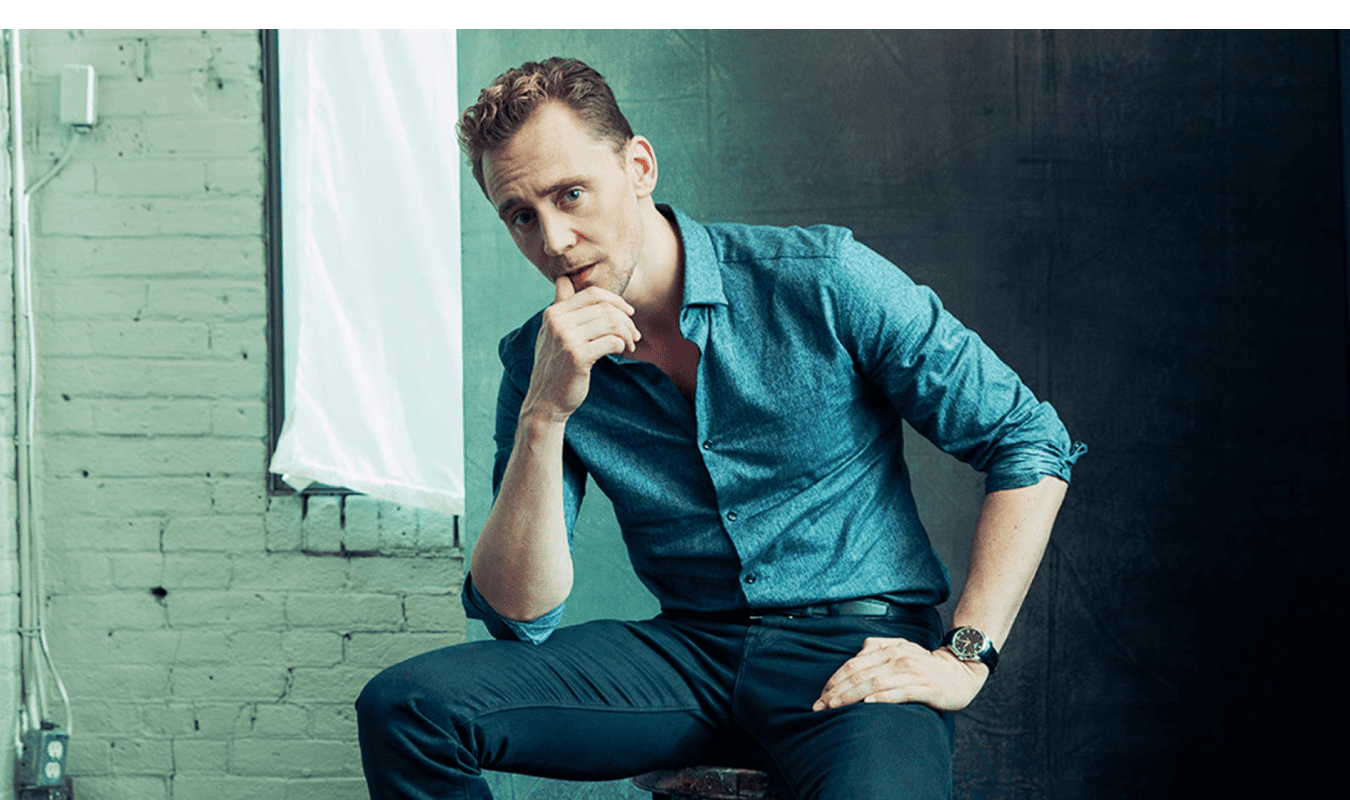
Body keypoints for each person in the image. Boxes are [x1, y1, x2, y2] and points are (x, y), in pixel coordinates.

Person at [357, 57, 1085, 800]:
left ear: (638, 167)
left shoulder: (821, 276)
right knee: (408, 709)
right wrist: (544, 414)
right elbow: (518, 614)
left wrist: (964, 656)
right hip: (687, 658)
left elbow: (1028, 438)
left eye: (570, 194)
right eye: (521, 215)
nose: (555, 241)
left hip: (854, 652)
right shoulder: (540, 362)